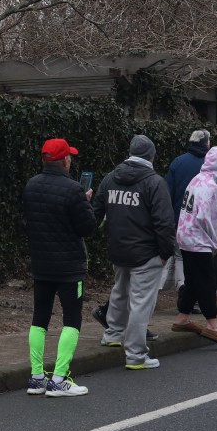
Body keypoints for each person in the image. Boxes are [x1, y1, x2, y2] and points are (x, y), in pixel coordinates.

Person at [21, 138, 97, 396]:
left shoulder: (31, 185)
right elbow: (87, 227)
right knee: (72, 320)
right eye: (69, 156)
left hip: (41, 263)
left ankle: (36, 377)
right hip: (69, 266)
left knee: (39, 318)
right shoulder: (73, 190)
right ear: (64, 160)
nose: (71, 160)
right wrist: (85, 201)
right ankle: (59, 378)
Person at [91, 135, 174, 369]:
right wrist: (165, 252)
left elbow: (95, 212)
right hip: (146, 252)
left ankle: (112, 334)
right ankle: (136, 355)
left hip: (118, 249)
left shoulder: (110, 178)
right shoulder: (155, 183)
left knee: (120, 291)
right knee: (141, 302)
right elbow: (164, 223)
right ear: (152, 156)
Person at [171, 146, 217, 347]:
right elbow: (205, 216)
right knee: (207, 280)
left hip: (184, 235)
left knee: (192, 279)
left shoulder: (196, 179)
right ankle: (212, 325)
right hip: (198, 240)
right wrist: (214, 238)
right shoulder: (210, 185)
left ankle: (182, 317)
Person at [161, 129, 217, 295]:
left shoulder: (178, 162)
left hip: (181, 220)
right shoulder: (212, 166)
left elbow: (167, 191)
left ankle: (182, 287)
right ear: (206, 143)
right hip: (203, 227)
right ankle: (197, 295)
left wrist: (168, 216)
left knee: (180, 256)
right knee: (203, 264)